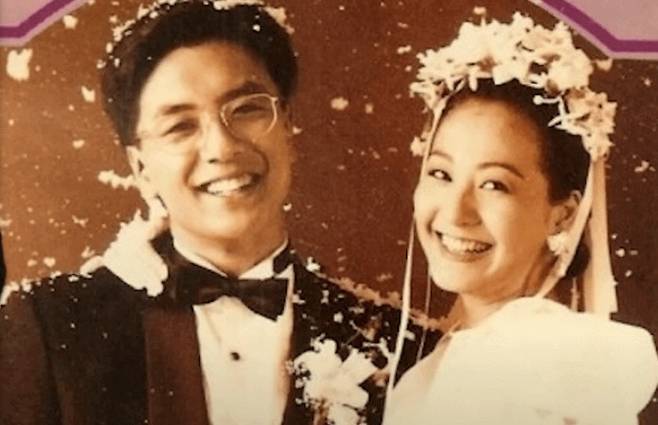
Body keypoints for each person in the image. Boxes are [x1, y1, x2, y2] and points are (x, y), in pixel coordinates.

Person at [0, 2, 438, 425]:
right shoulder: (51, 328)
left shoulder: (397, 344)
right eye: (180, 126)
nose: (222, 147)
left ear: (287, 127)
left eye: (246, 110)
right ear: (141, 168)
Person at [382, 13, 658, 425]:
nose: (456, 212)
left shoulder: (555, 366)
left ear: (562, 216)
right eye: (441, 173)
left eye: (494, 184)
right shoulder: (438, 366)